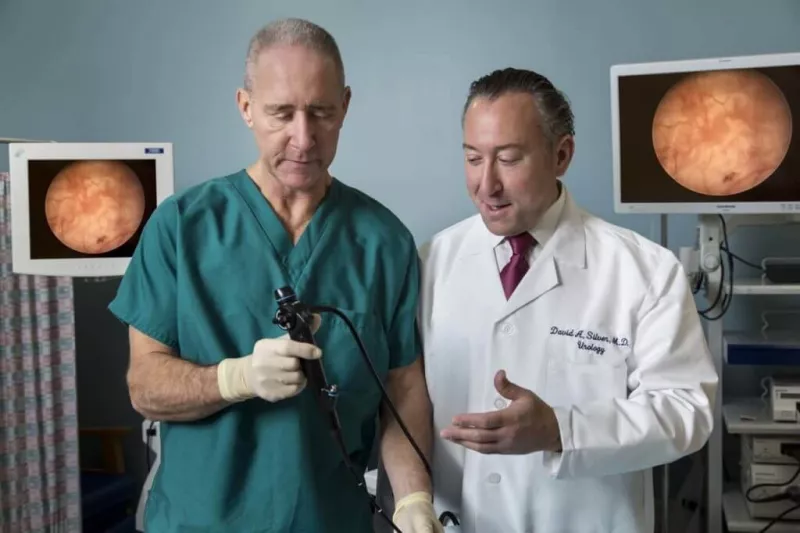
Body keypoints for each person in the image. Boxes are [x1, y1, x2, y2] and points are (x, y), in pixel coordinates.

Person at [109, 18, 442, 533]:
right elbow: (145, 386)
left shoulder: (383, 241)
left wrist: (414, 499)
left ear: (346, 107)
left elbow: (402, 393)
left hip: (330, 519)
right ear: (245, 107)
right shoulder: (182, 226)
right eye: (281, 114)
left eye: (322, 113)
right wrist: (233, 378)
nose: (303, 138)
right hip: (201, 520)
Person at [418, 68, 719, 533]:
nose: (487, 184)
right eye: (474, 159)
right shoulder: (429, 262)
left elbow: (687, 410)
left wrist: (561, 429)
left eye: (509, 159)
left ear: (562, 154)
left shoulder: (644, 271)